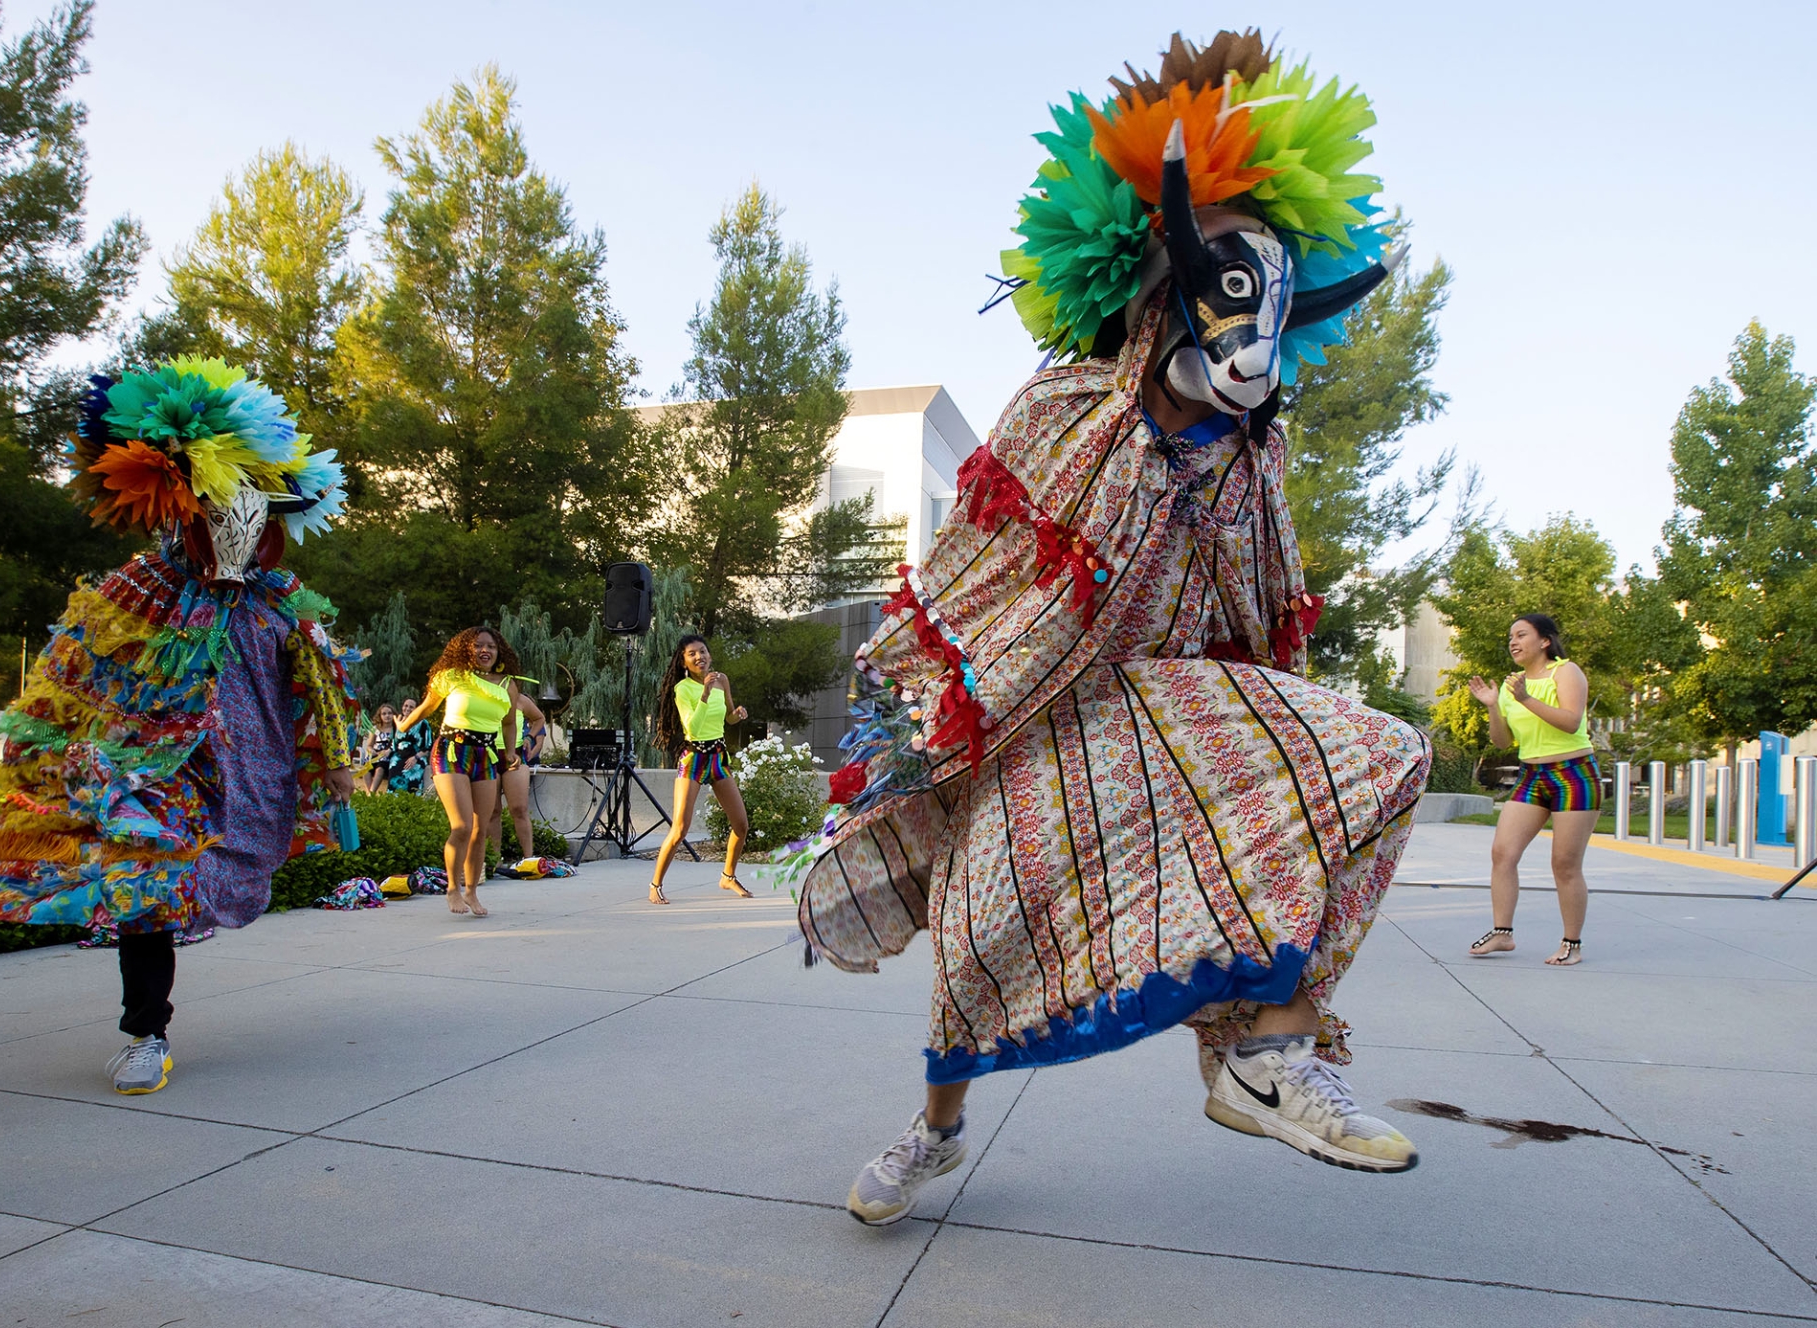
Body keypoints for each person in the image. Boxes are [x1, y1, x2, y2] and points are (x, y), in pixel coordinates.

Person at [785, 31, 1435, 1226]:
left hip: (1170, 697)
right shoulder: (1066, 408)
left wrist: (1264, 739)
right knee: (981, 944)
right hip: (1037, 710)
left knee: (1381, 754)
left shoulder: (1258, 455)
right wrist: (920, 720)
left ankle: (1269, 1048)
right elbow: (975, 571)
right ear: (1166, 293)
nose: (1253, 351)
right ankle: (934, 1131)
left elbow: (1259, 607)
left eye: (1274, 320)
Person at [0, 357, 358, 1096]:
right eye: (224, 503)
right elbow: (74, 683)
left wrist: (335, 762)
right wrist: (63, 762)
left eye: (253, 505)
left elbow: (322, 688)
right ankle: (145, 1033)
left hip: (247, 771)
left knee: (210, 874)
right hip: (151, 767)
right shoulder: (138, 592)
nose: (239, 520)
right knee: (146, 883)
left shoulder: (282, 600)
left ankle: (148, 1019)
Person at [1466, 614, 1598, 965]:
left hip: (1574, 774)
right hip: (1532, 776)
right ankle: (1502, 933)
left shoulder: (1565, 672)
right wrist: (1495, 705)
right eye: (1510, 636)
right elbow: (1502, 741)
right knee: (1502, 853)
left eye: (1521, 634)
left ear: (1544, 641)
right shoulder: (1512, 686)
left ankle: (1572, 943)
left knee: (1564, 864)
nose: (1513, 641)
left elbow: (1571, 722)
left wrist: (1524, 699)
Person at [397, 629, 524, 916]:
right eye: (478, 645)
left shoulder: (507, 685)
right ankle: (452, 888)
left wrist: (510, 752)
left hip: (485, 755)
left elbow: (508, 722)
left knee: (481, 829)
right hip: (452, 751)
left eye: (491, 646)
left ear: (498, 652)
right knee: (462, 827)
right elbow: (428, 708)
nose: (485, 650)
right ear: (466, 650)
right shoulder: (451, 676)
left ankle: (471, 891)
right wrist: (403, 726)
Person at [647, 634, 752, 906]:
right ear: (684, 661)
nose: (699, 657)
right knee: (680, 828)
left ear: (710, 654)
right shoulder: (682, 689)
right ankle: (655, 884)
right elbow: (692, 727)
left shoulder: (722, 680)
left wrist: (737, 714)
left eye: (702, 651)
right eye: (692, 653)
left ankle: (728, 876)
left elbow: (727, 717)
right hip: (694, 758)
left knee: (741, 824)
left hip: (718, 758)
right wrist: (704, 693)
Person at [481, 641, 549, 869]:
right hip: (488, 752)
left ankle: (528, 858)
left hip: (514, 755)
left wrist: (530, 738)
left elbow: (539, 718)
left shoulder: (520, 699)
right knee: (492, 810)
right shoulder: (483, 695)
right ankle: (494, 860)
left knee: (519, 808)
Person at [387, 695, 434, 794]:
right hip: (398, 757)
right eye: (406, 706)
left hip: (416, 756)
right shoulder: (397, 722)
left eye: (411, 707)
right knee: (394, 766)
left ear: (416, 709)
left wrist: (415, 757)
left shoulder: (423, 723)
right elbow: (393, 743)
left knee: (413, 772)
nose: (407, 708)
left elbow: (428, 746)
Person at [359, 702, 399, 794]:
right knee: (366, 768)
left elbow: (397, 743)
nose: (387, 716)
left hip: (388, 754)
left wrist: (388, 751)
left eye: (389, 713)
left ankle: (371, 793)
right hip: (376, 754)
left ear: (393, 715)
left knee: (380, 769)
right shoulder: (376, 729)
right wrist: (372, 750)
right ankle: (369, 793)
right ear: (380, 716)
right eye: (384, 714)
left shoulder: (396, 729)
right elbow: (369, 745)